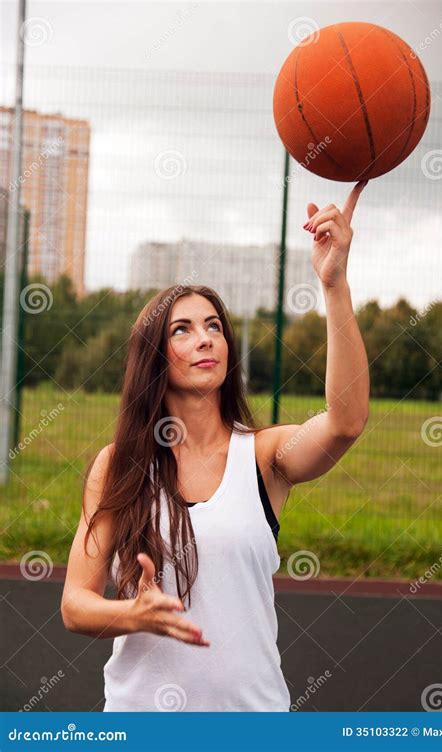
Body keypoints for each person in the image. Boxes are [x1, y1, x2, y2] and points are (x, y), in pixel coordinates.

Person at [60, 181, 369, 711]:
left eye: (213, 326)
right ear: (156, 357)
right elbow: (75, 604)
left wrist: (334, 282)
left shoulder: (266, 456)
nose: (205, 338)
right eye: (182, 329)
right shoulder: (120, 466)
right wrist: (131, 615)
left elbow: (345, 421)